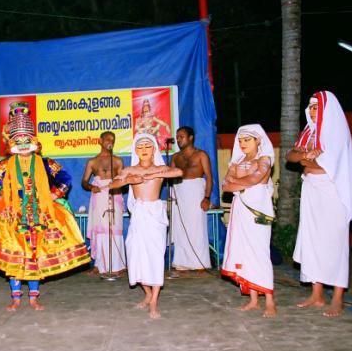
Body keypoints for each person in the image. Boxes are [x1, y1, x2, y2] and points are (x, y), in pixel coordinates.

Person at [0, 101, 91, 312]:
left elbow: (65, 178)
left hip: (41, 212)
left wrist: (55, 193)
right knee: (14, 254)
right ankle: (16, 298)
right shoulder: (4, 165)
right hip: (12, 213)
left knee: (35, 255)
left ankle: (33, 297)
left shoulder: (46, 163)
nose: (22, 143)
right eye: (17, 140)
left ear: (33, 141)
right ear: (11, 142)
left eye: (25, 139)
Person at [287, 91, 352, 317]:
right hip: (311, 189)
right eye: (310, 107)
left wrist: (308, 159)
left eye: (316, 108)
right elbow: (290, 156)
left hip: (332, 192)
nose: (312, 111)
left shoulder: (336, 133)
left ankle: (337, 298)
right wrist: (304, 157)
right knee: (312, 241)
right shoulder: (308, 133)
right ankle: (317, 294)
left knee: (335, 245)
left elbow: (329, 166)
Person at [107, 133, 182, 319]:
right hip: (139, 215)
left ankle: (154, 302)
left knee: (155, 256)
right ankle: (147, 294)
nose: (144, 150)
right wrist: (128, 180)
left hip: (155, 214)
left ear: (154, 149)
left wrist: (154, 173)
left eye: (147, 146)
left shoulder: (161, 168)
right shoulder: (130, 169)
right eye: (140, 147)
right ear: (135, 151)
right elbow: (112, 184)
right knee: (135, 254)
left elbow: (178, 172)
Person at [220, 124, 277, 318]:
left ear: (258, 140)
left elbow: (256, 178)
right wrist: (240, 184)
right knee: (244, 252)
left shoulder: (264, 160)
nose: (243, 144)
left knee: (260, 251)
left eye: (248, 140)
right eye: (241, 140)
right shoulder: (236, 161)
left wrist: (237, 184)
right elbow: (225, 184)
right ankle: (253, 300)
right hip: (241, 210)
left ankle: (269, 301)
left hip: (258, 209)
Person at [81, 131, 126, 275]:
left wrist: (116, 183)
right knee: (100, 230)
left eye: (112, 139)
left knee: (115, 228)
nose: (110, 141)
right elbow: (84, 181)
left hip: (114, 195)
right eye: (107, 139)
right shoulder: (92, 162)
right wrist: (91, 187)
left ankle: (118, 265)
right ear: (100, 141)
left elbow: (124, 180)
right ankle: (99, 265)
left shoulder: (118, 161)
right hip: (99, 196)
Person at [170, 126, 214, 273]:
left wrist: (206, 197)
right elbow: (171, 177)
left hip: (195, 193)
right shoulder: (175, 157)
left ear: (191, 138)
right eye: (177, 137)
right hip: (179, 193)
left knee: (197, 228)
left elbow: (209, 177)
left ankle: (200, 263)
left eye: (181, 136)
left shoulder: (201, 155)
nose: (178, 139)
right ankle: (181, 263)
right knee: (180, 228)